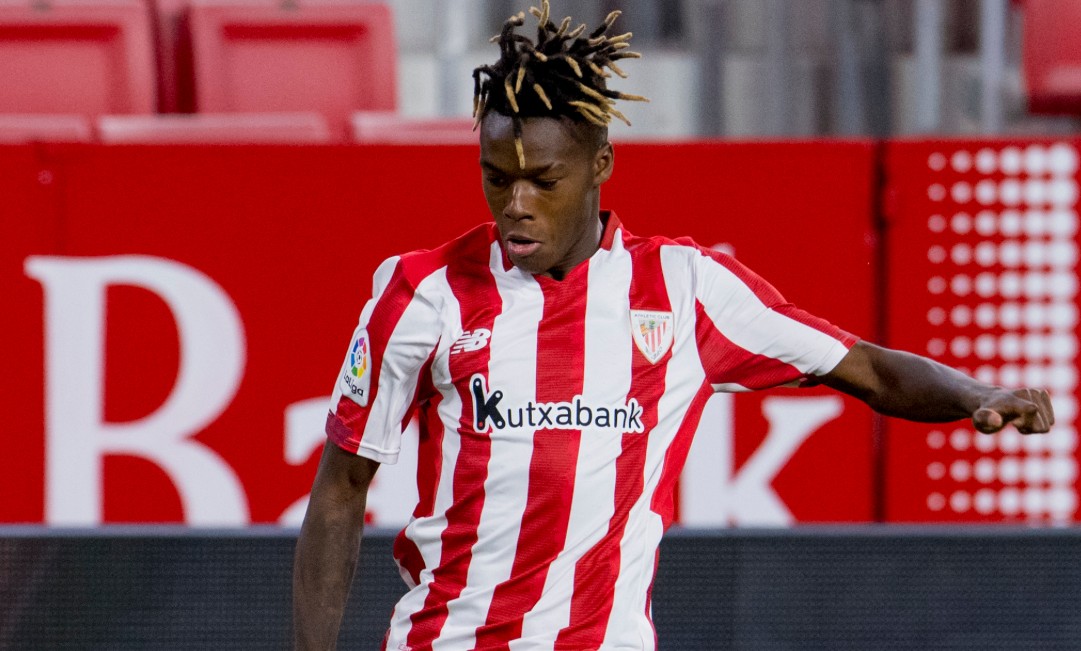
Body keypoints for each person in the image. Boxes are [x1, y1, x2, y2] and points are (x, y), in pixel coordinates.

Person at [293, 3, 1055, 649]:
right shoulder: (420, 293)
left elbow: (865, 367)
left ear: (599, 166)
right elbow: (339, 493)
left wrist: (973, 394)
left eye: (544, 180)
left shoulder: (685, 290)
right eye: (497, 178)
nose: (516, 204)